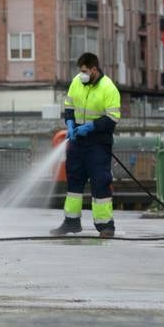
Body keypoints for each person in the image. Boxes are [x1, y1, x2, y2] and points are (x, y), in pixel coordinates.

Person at [50, 52, 122, 237]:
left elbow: (112, 119)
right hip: (77, 142)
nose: (81, 74)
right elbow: (69, 106)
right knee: (74, 182)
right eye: (79, 70)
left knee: (100, 182)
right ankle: (71, 222)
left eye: (84, 71)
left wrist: (91, 126)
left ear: (94, 70)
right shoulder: (76, 82)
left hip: (98, 144)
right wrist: (70, 123)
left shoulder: (109, 88)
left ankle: (105, 226)